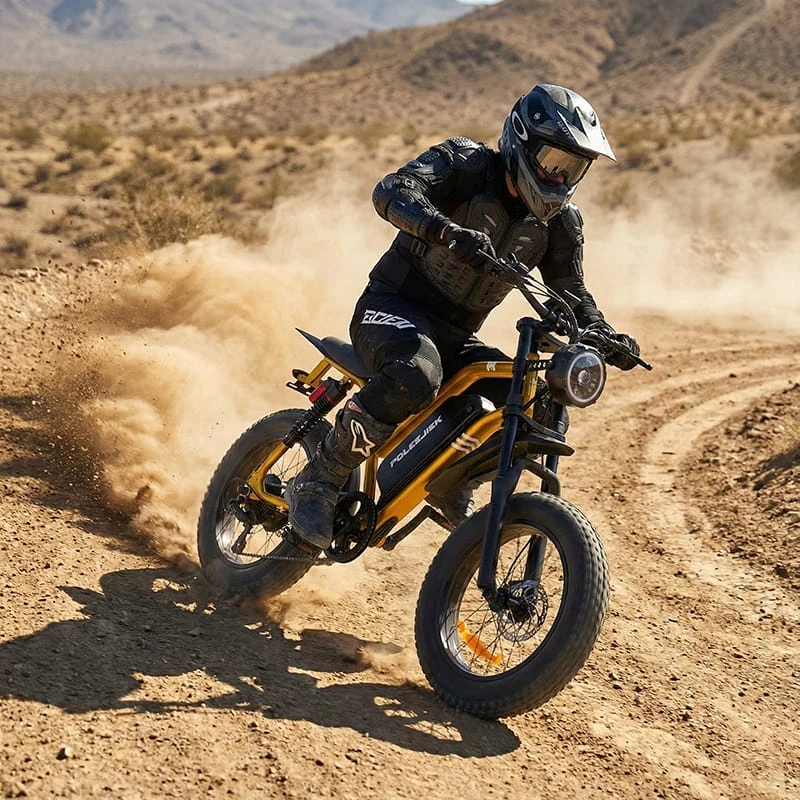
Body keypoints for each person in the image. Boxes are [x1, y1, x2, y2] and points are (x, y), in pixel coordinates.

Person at [286, 83, 640, 549]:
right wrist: (446, 231)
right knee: (415, 374)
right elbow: (391, 190)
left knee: (539, 401)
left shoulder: (561, 224)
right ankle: (319, 479)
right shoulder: (464, 164)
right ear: (520, 143)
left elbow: (571, 290)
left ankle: (456, 481)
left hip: (455, 339)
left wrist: (604, 333)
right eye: (553, 162)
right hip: (391, 309)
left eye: (572, 168)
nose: (559, 178)